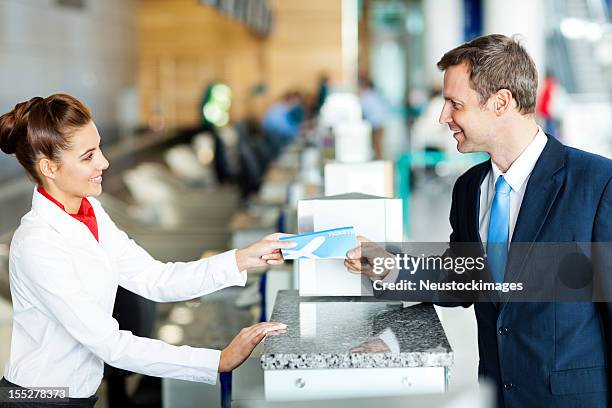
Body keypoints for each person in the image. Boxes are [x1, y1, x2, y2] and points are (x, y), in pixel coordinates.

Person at [346, 34, 612, 407]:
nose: (444, 117)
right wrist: (391, 267)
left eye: (455, 104)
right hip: (499, 392)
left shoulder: (597, 183)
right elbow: (464, 280)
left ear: (501, 102)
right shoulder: (470, 188)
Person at [0, 94, 296, 407]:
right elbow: (110, 345)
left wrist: (244, 257)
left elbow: (155, 278)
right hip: (39, 399)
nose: (104, 162)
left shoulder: (91, 212)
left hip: (75, 395)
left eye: (98, 148)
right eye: (88, 157)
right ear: (49, 167)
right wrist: (217, 361)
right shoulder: (37, 244)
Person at [358, 76, 388, 160]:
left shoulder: (366, 96)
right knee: (379, 147)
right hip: (381, 123)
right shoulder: (376, 94)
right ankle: (380, 162)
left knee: (376, 146)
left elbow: (363, 110)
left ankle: (379, 163)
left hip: (375, 124)